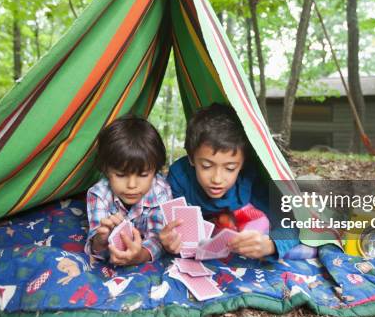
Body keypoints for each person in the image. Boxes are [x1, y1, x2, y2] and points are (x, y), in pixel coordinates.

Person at [160, 103, 301, 259]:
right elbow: (166, 228)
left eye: (230, 168)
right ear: (191, 158)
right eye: (206, 166)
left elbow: (290, 223)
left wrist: (270, 245)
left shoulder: (249, 179)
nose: (217, 179)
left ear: (242, 164)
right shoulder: (180, 178)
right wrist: (168, 242)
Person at [84, 114, 171, 266]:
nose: (131, 185)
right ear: (105, 170)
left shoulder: (161, 190)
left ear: (156, 171)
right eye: (121, 175)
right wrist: (100, 240)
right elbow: (95, 247)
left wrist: (139, 256)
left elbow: (158, 239)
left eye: (143, 175)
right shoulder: (98, 194)